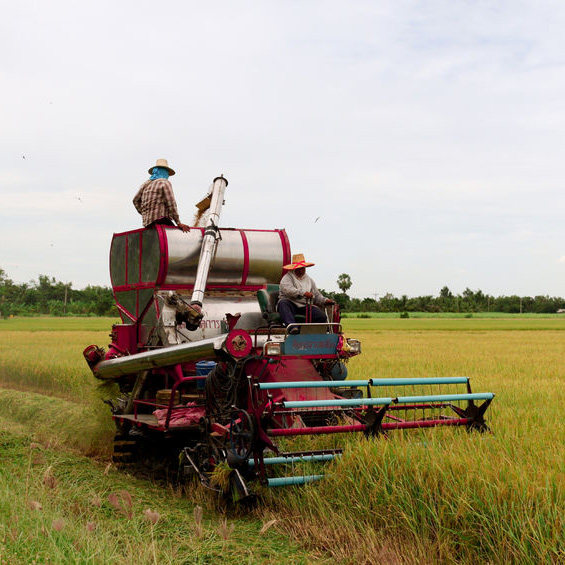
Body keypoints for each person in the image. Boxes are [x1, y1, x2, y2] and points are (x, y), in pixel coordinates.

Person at [277, 253, 334, 328]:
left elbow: (316, 294)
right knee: (283, 303)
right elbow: (288, 290)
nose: (300, 271)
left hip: (304, 306)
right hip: (290, 304)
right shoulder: (287, 277)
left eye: (302, 268)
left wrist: (325, 300)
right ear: (294, 269)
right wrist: (303, 293)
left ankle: (309, 331)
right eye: (298, 269)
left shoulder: (309, 280)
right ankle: (292, 328)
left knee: (322, 316)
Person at [133, 158, 190, 232]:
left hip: (148, 224)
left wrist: (145, 213)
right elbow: (171, 203)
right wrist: (178, 223)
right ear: (165, 172)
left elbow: (135, 200)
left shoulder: (145, 184)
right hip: (161, 221)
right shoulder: (164, 182)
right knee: (177, 237)